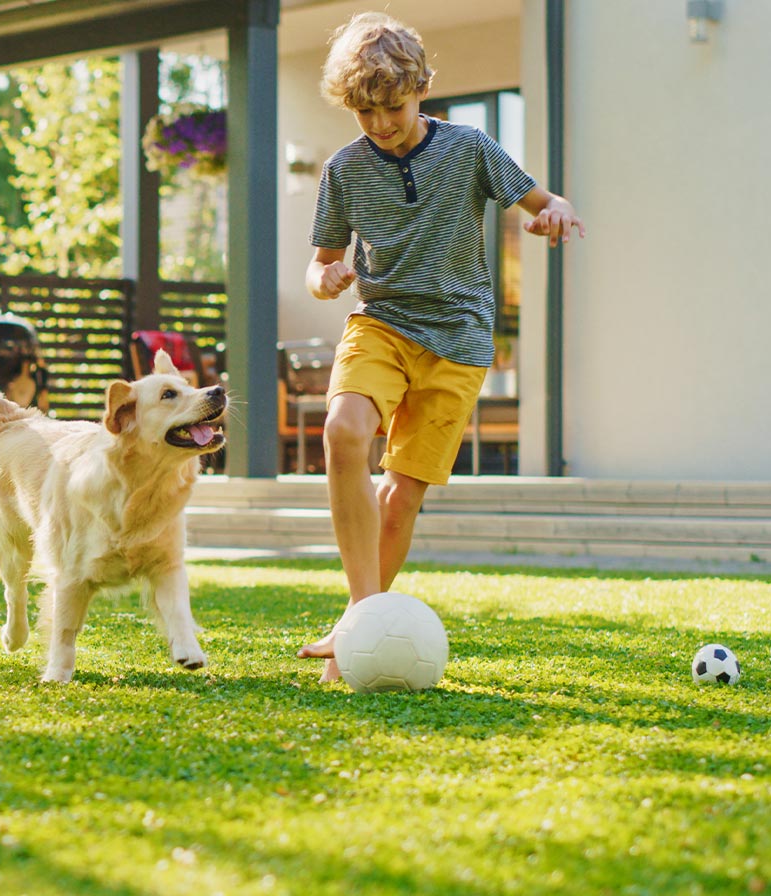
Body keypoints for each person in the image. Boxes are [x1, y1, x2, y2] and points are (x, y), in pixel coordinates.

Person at [298, 12, 585, 683]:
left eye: (392, 107)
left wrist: (555, 216)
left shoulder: (470, 149)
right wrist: (328, 277)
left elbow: (546, 201)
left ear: (420, 89)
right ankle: (364, 621)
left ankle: (351, 630)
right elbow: (319, 269)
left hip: (457, 339)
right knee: (344, 431)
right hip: (383, 323)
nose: (381, 125)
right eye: (364, 112)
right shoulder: (344, 169)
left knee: (401, 496)